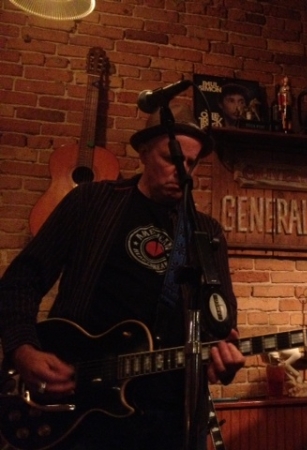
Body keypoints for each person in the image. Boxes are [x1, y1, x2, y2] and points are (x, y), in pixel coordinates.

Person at [0, 103, 246, 450]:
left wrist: (222, 359)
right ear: (143, 151)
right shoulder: (91, 202)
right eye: (171, 158)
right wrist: (22, 349)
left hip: (170, 419)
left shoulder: (206, 233)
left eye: (191, 163)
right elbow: (22, 278)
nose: (182, 172)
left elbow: (221, 320)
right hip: (79, 408)